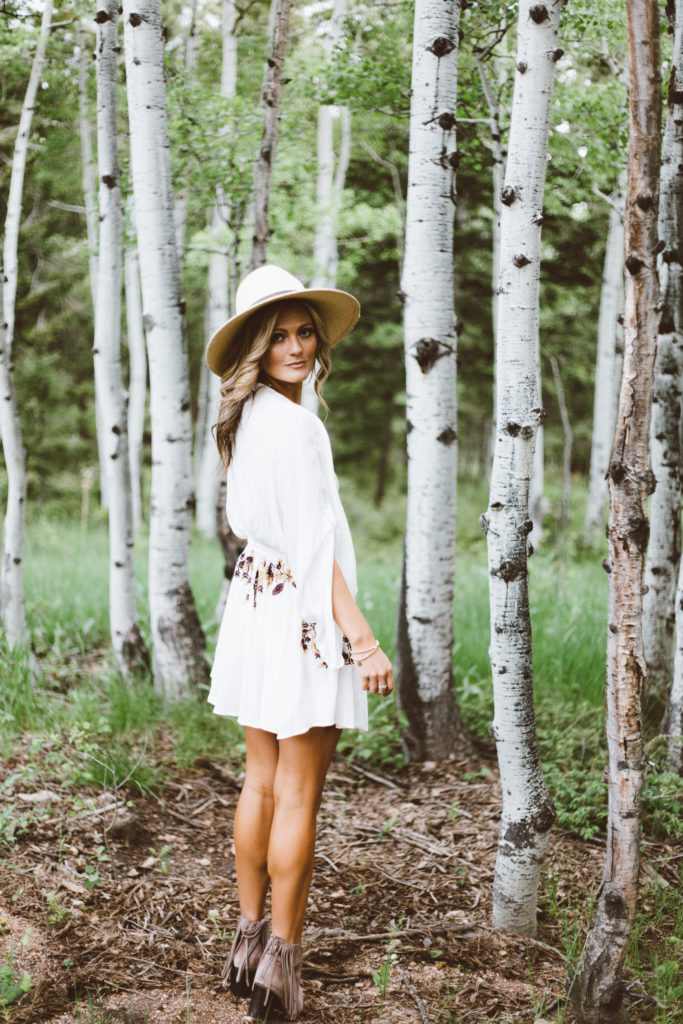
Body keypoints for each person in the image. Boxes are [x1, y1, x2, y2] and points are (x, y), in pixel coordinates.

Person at [205, 264, 394, 1021]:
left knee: (260, 780)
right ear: (255, 344)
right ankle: (282, 964)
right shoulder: (295, 425)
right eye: (277, 335)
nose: (293, 345)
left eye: (303, 331)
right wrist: (364, 639)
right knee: (297, 791)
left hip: (254, 604)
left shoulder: (249, 416)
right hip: (303, 613)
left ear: (317, 340)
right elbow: (317, 547)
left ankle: (247, 944)